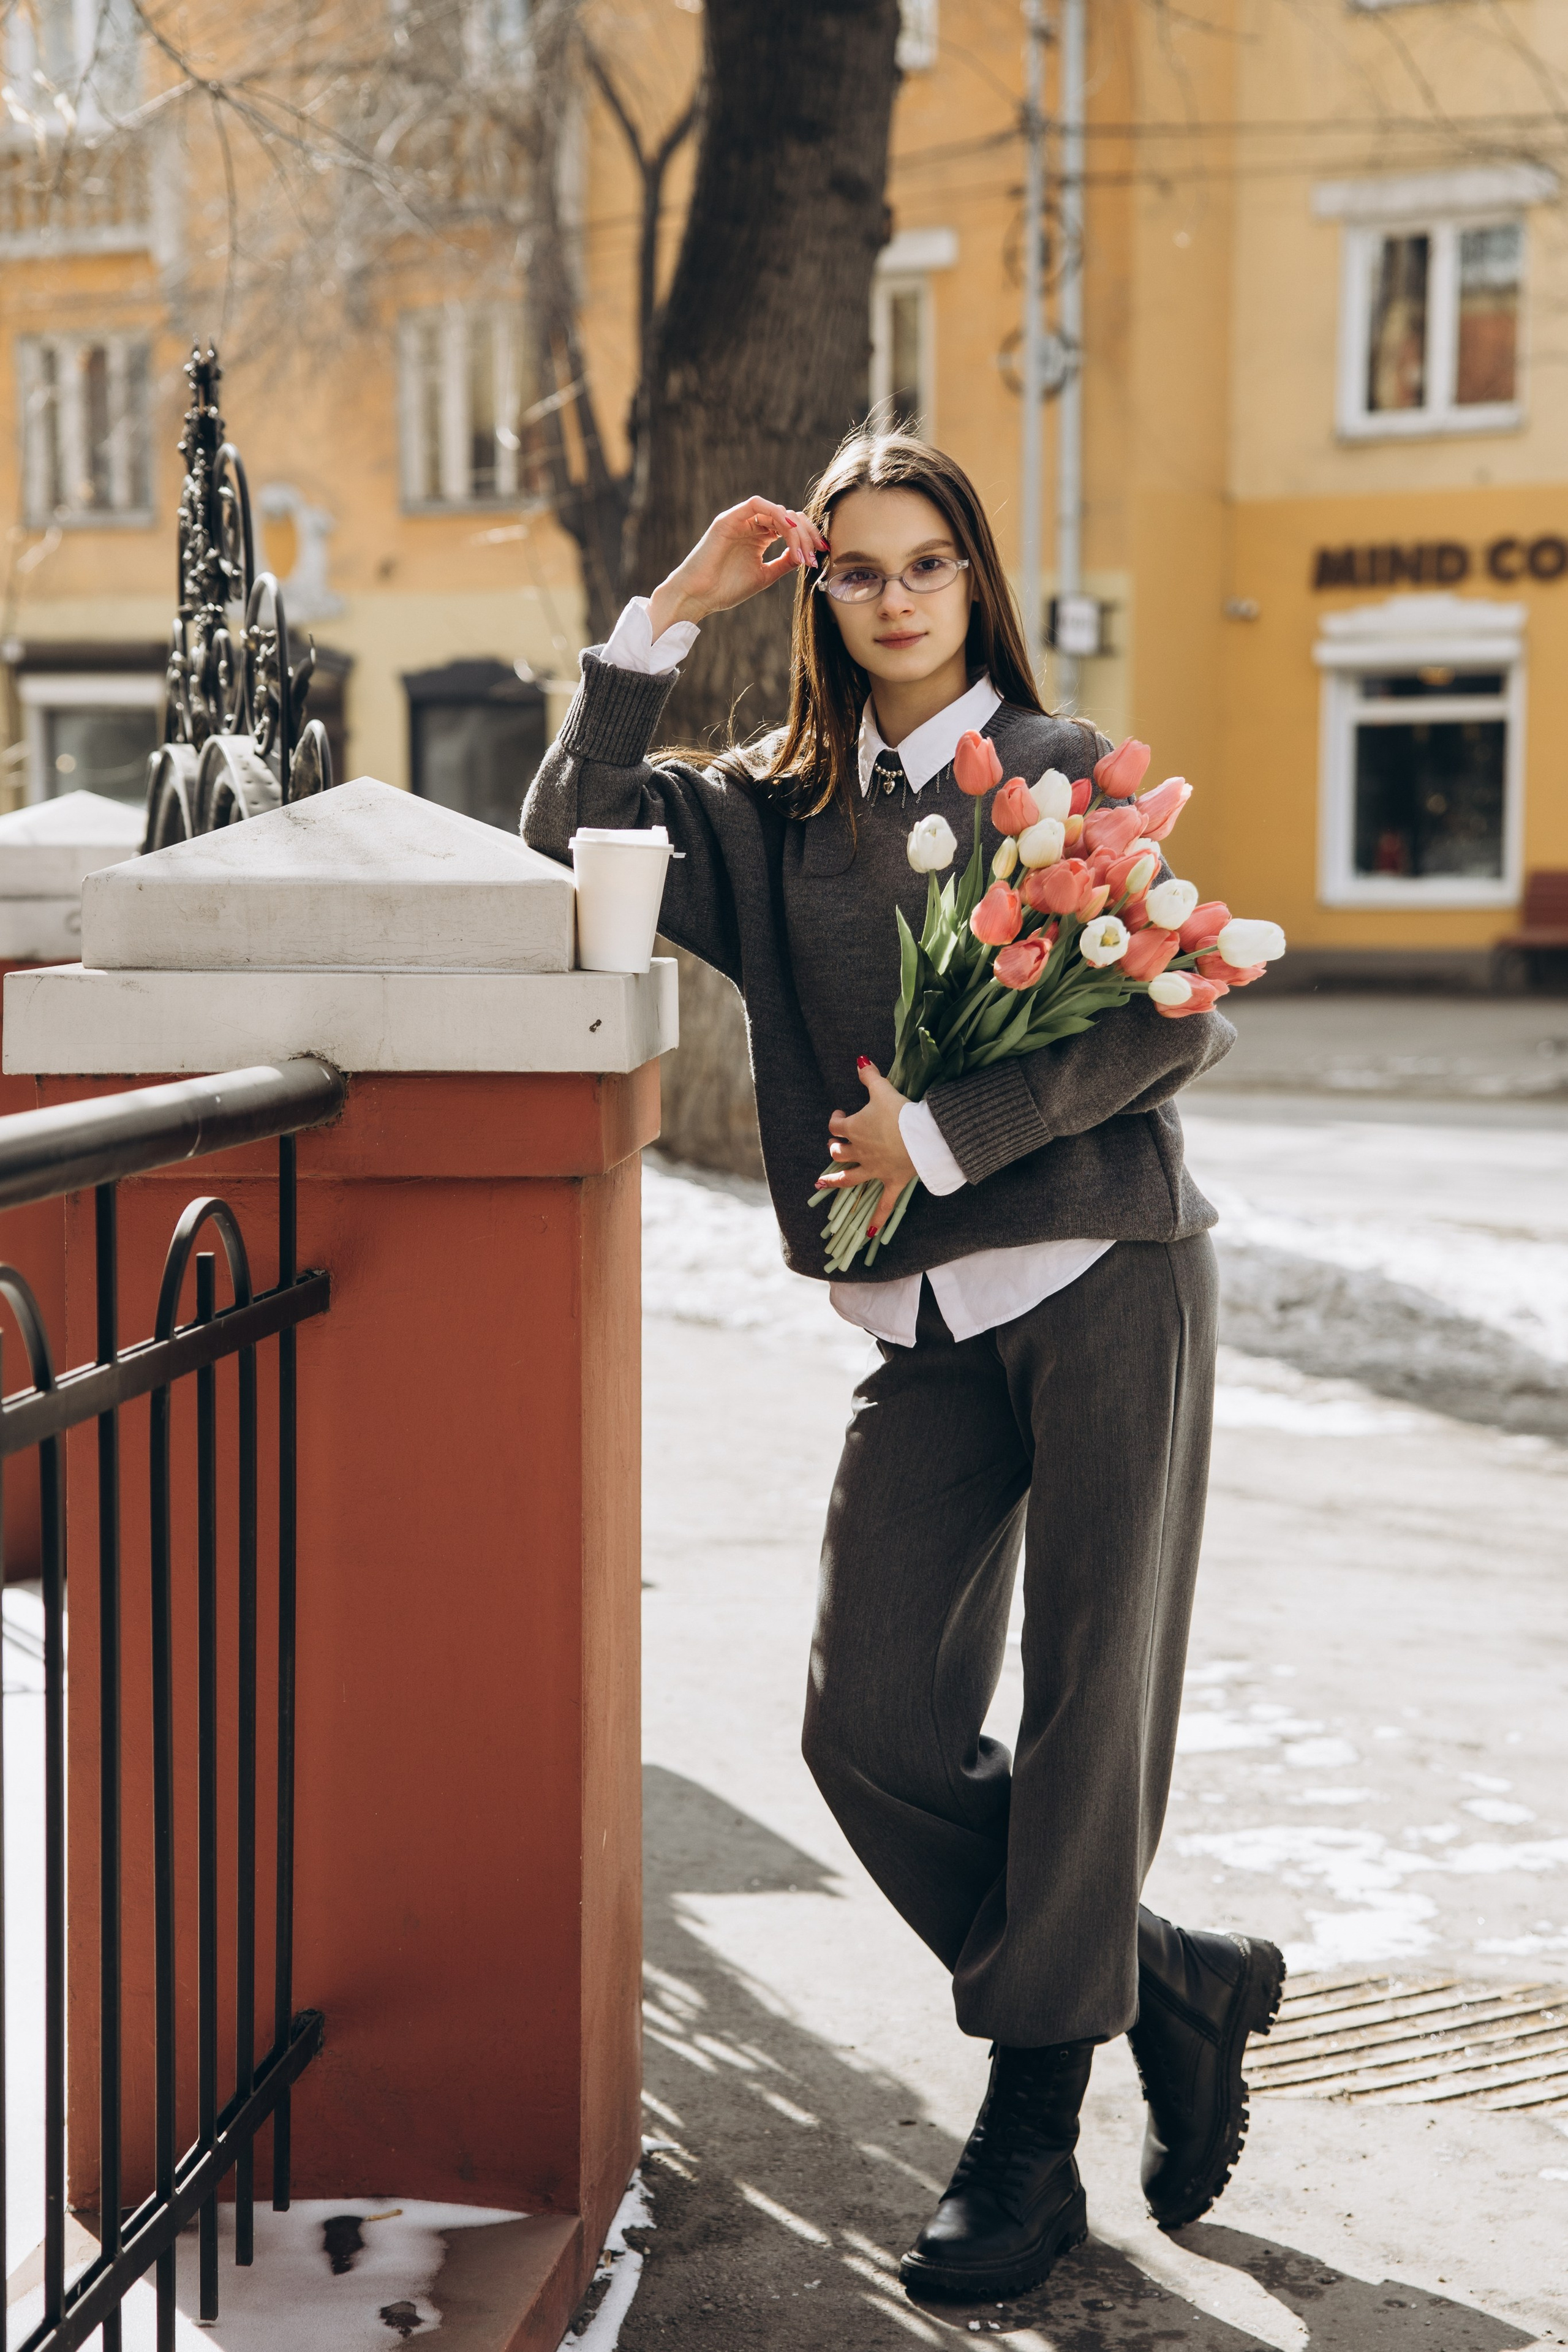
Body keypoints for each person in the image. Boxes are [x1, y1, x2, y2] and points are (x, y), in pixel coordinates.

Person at [522, 432, 1285, 2304]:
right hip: (923, 1331)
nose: (891, 596)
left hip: (1107, 1274)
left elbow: (1169, 1030)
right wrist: (660, 622)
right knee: (860, 1722)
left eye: (923, 562)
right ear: (819, 597)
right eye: (853, 570)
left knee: (1094, 1701)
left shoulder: (1058, 775)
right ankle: (1163, 1975)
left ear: (974, 576)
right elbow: (563, 843)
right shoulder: (774, 812)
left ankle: (1032, 2140)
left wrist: (940, 1139)